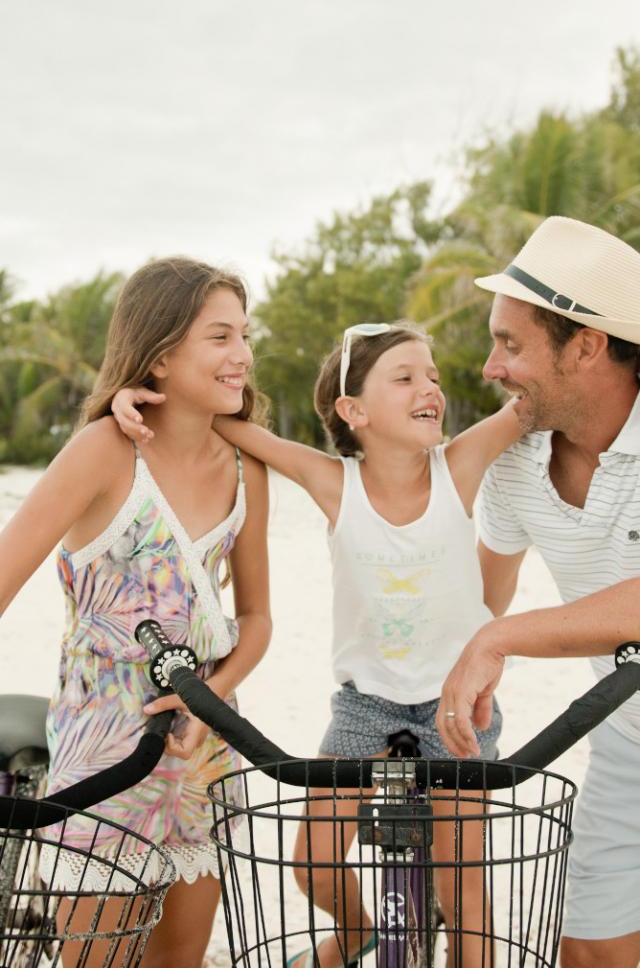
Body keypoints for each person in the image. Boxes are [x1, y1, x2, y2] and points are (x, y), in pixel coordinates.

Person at [113, 319, 527, 968]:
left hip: (456, 702)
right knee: (313, 859)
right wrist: (133, 394)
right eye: (406, 377)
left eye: (435, 377)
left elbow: (531, 404)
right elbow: (231, 425)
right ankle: (358, 930)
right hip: (366, 707)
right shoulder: (335, 482)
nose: (431, 388)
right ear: (352, 409)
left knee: (465, 884)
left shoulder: (460, 466)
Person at [3, 257, 271, 968]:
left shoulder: (247, 467)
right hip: (102, 750)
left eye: (244, 334)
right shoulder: (103, 451)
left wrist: (209, 699)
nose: (242, 354)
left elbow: (260, 620)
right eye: (220, 336)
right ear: (159, 355)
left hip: (204, 748)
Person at [435, 216, 640, 968]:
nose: (491, 367)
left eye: (511, 344)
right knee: (587, 949)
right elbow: (484, 598)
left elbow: (500, 629)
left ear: (585, 345)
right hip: (631, 739)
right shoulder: (517, 464)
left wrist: (500, 641)